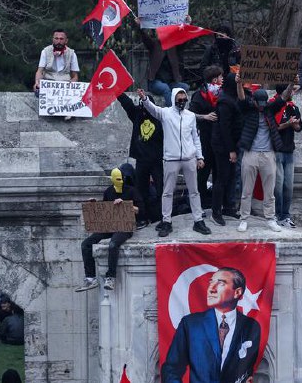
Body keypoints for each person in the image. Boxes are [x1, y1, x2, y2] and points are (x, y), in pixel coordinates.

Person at [161, 268, 261, 383]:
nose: (211, 289)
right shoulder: (190, 324)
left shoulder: (251, 327)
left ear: (237, 292)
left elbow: (246, 372)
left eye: (220, 283)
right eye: (211, 283)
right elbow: (171, 369)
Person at [137, 87, 212, 237]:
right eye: (179, 99)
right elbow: (153, 109)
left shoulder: (190, 116)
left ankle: (198, 220)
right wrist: (144, 99)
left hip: (189, 158)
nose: (182, 102)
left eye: (185, 99)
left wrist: (200, 157)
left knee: (194, 191)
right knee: (167, 192)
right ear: (173, 99)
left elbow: (195, 138)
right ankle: (166, 221)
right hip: (171, 159)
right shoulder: (166, 113)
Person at [236, 78, 295, 233]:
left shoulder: (269, 108)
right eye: (258, 104)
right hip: (250, 154)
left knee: (270, 191)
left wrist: (291, 83)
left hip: (268, 154)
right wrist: (238, 83)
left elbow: (283, 97)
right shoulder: (248, 108)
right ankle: (244, 219)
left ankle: (270, 218)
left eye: (263, 103)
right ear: (254, 101)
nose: (261, 107)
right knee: (246, 190)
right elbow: (241, 98)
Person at [76, 166, 142, 292]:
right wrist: (95, 205)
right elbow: (106, 210)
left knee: (113, 245)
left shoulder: (132, 191)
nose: (120, 181)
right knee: (86, 244)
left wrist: (126, 206)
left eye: (121, 178)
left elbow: (140, 210)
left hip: (124, 227)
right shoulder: (108, 191)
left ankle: (110, 276)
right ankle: (90, 278)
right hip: (110, 226)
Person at [116, 92, 164, 228]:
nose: (143, 107)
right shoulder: (137, 114)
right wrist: (117, 91)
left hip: (157, 160)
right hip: (142, 160)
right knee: (140, 190)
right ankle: (141, 218)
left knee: (161, 190)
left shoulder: (160, 116)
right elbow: (127, 104)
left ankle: (162, 217)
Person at [210, 72, 243, 226]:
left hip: (231, 144)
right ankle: (216, 211)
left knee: (230, 177)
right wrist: (231, 150)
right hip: (223, 146)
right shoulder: (224, 102)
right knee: (222, 178)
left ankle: (228, 207)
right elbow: (225, 127)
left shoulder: (233, 98)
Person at [135, 18, 189, 107]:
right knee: (165, 89)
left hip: (171, 83)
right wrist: (139, 26)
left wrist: (186, 24)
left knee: (185, 87)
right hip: (155, 82)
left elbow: (184, 40)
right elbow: (145, 38)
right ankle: (171, 111)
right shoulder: (154, 45)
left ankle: (182, 109)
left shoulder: (174, 47)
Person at [190, 66, 222, 208]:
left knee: (219, 175)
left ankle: (217, 204)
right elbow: (189, 115)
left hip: (220, 141)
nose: (223, 79)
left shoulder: (223, 94)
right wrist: (205, 117)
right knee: (202, 175)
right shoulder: (198, 95)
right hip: (204, 141)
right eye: (221, 77)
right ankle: (200, 204)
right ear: (214, 79)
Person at [272, 83, 302, 228]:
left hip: (289, 150)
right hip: (277, 150)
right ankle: (278, 214)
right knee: (278, 185)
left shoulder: (293, 107)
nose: (292, 92)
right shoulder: (273, 104)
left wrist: (294, 124)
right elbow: (274, 127)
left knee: (288, 186)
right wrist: (287, 124)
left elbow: (298, 127)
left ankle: (286, 215)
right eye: (289, 90)